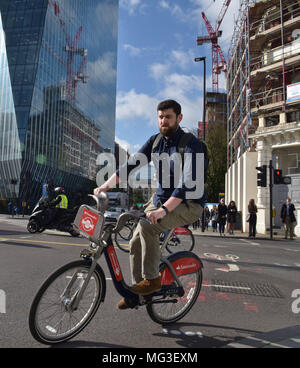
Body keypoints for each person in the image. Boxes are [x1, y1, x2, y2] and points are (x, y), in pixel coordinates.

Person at [94, 99, 207, 310]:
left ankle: (152, 280)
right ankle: (140, 289)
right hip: (160, 201)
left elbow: (187, 183)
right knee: (135, 239)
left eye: (168, 117)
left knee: (147, 227)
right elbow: (131, 165)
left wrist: (164, 210)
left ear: (179, 118)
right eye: (160, 117)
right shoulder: (155, 142)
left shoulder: (192, 144)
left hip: (188, 204)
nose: (164, 121)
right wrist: (105, 187)